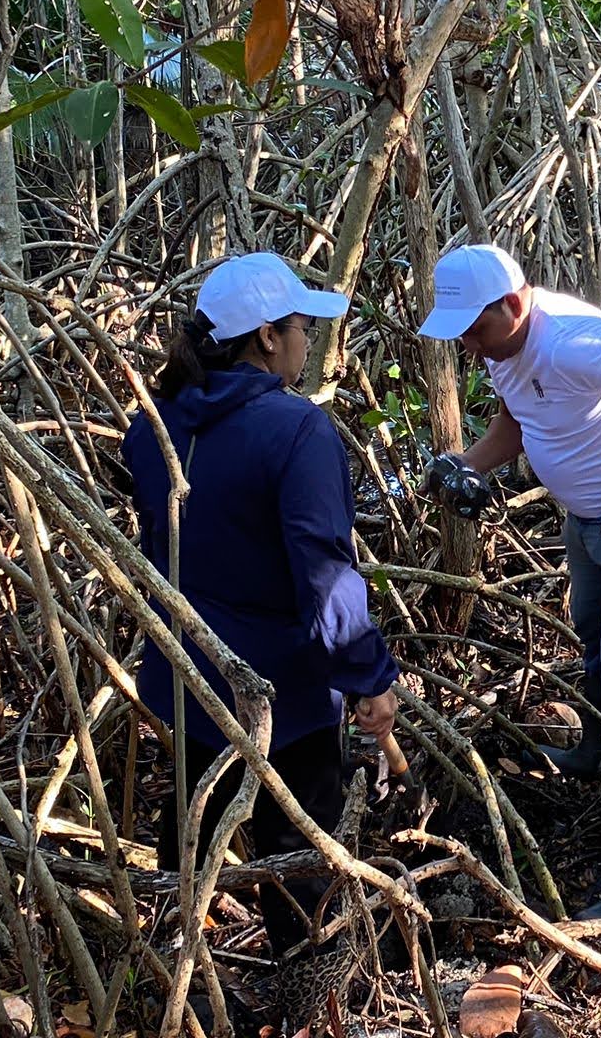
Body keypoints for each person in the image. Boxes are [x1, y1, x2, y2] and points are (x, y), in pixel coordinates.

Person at [122, 252, 403, 958]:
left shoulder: (150, 427)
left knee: (193, 818)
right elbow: (325, 575)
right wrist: (367, 677)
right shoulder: (296, 431)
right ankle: (312, 990)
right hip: (283, 694)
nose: (311, 341)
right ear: (269, 338)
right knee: (300, 848)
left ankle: (169, 966)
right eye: (303, 326)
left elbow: (164, 550)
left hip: (183, 678)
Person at [416, 244, 601, 919]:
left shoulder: (573, 341)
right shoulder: (501, 344)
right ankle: (597, 749)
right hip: (588, 515)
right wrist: (470, 463)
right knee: (589, 628)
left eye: (476, 329)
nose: (469, 345)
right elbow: (521, 419)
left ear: (513, 305)